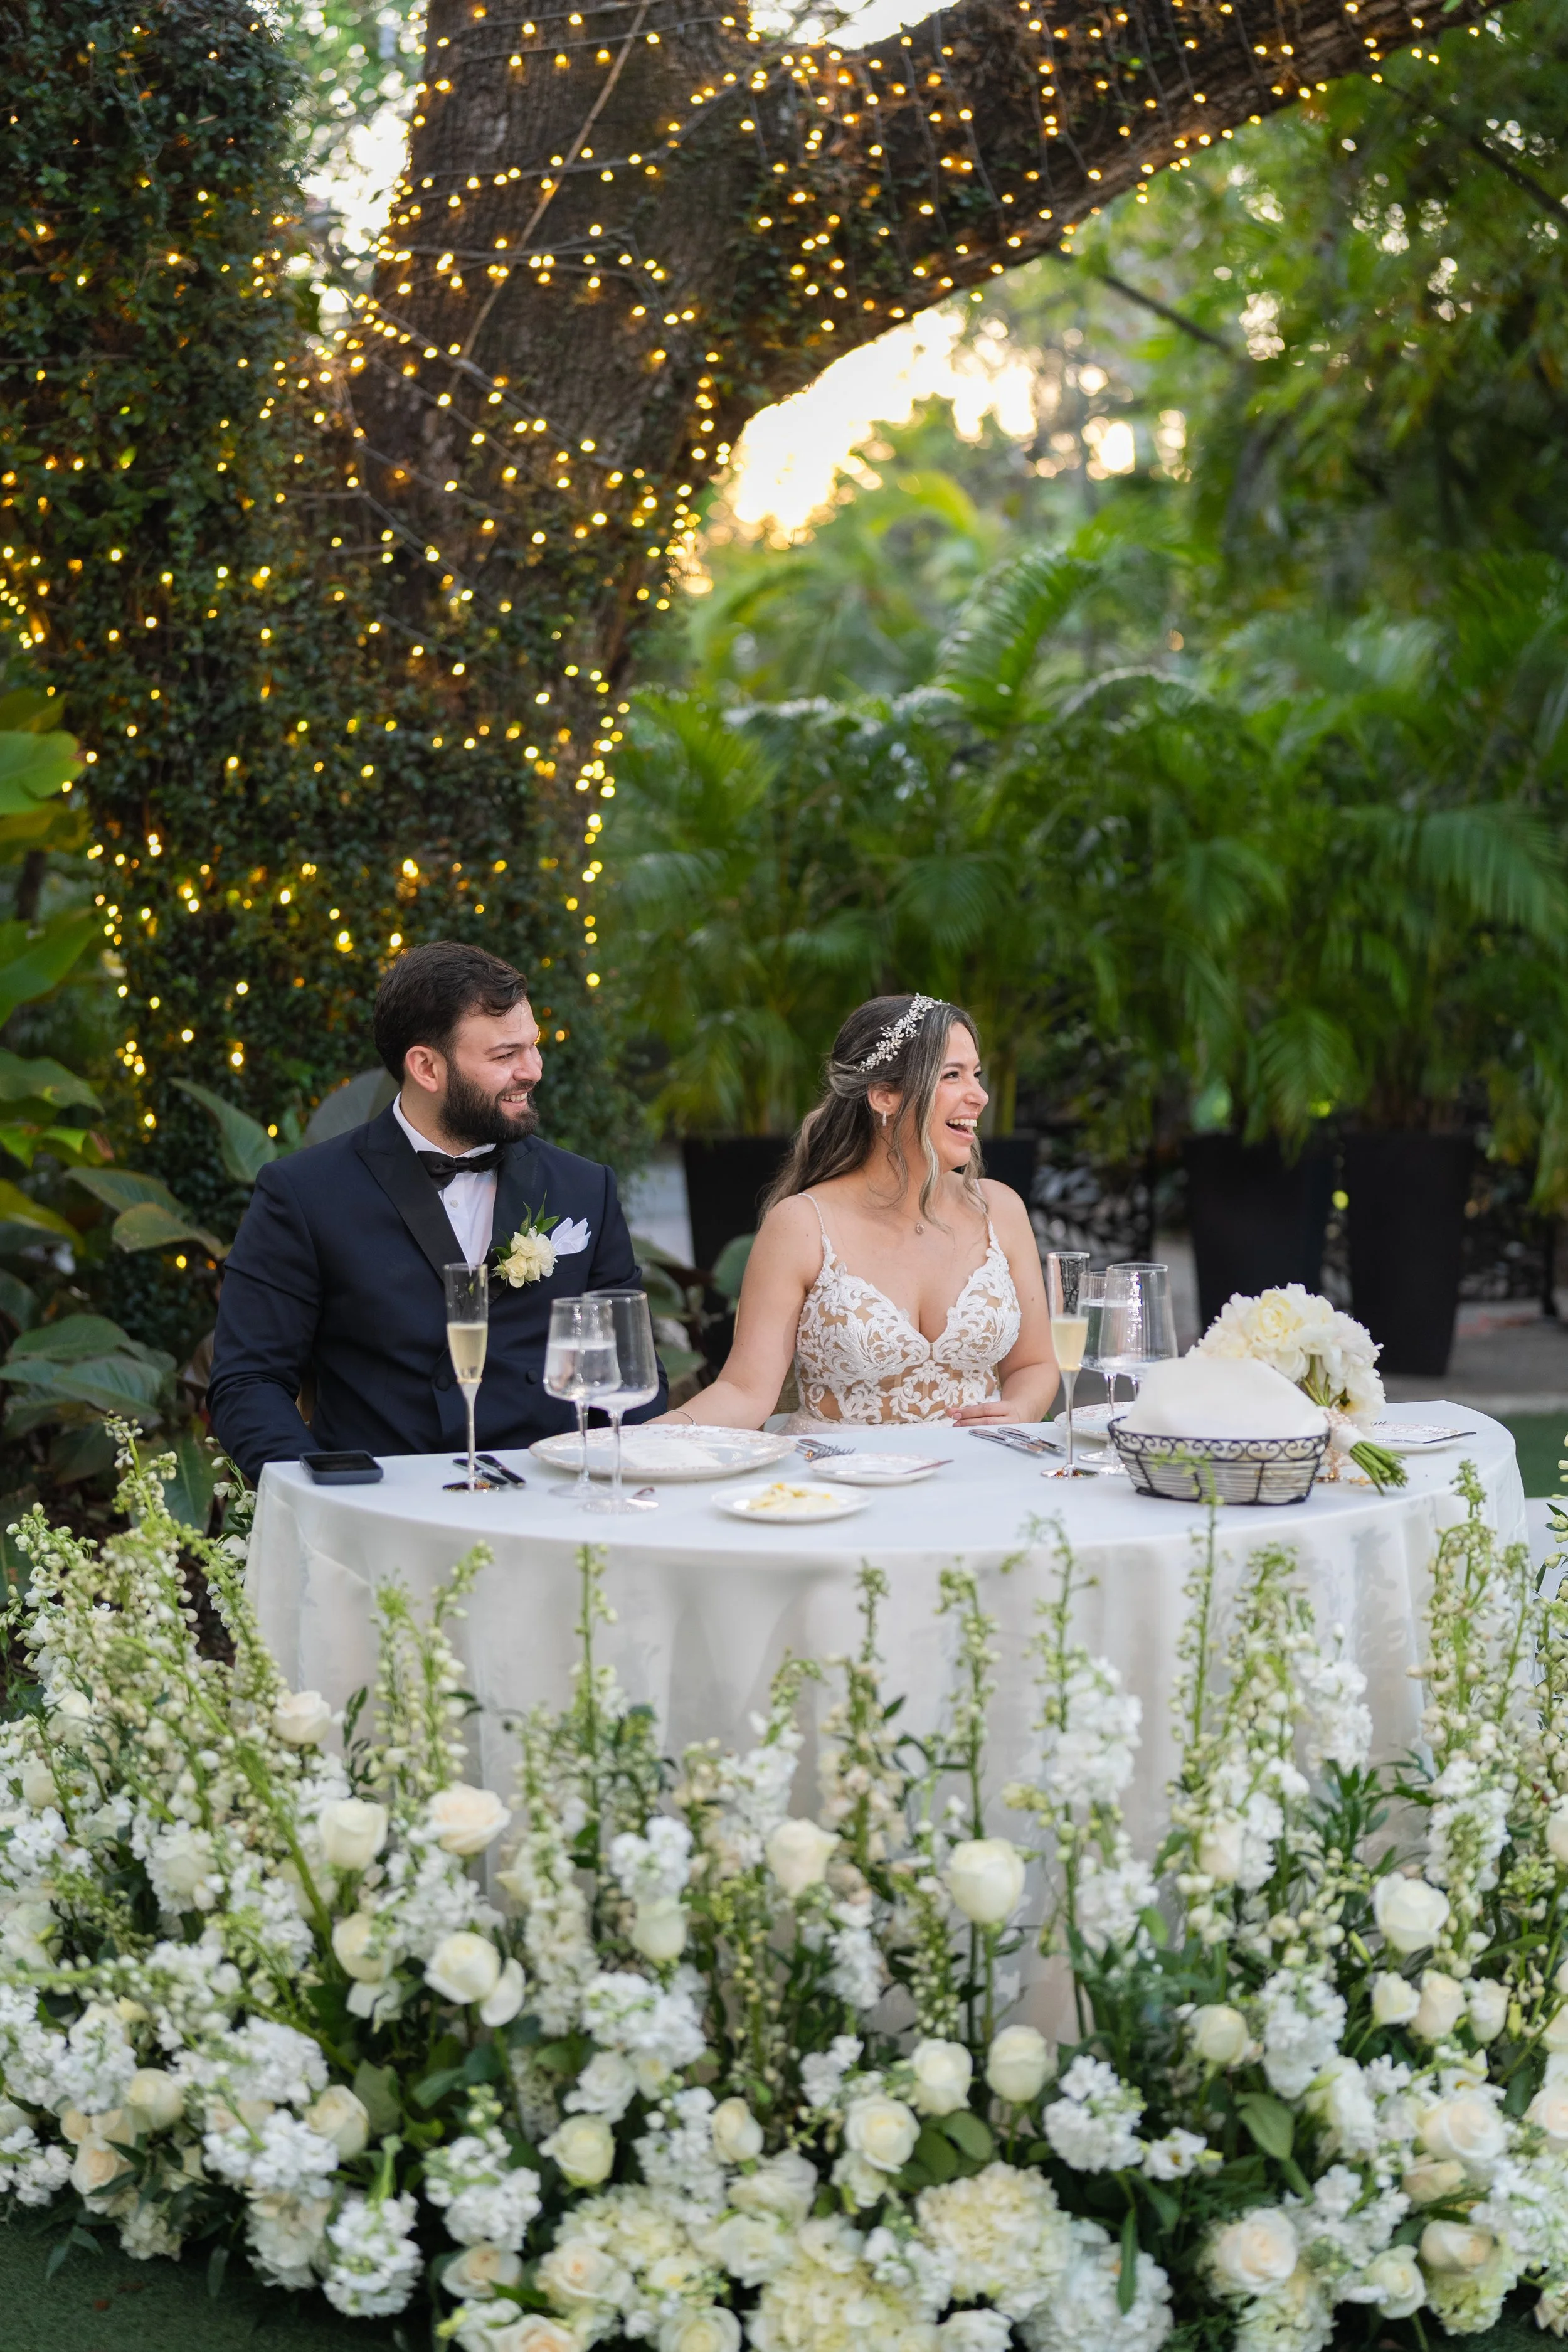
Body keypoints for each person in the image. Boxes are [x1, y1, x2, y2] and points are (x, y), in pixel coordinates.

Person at [208, 940, 664, 1480]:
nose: (533, 1070)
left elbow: (630, 1373)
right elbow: (249, 1380)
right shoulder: (304, 1193)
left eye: (533, 1046)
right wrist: (324, 1494)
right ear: (426, 1066)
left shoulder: (585, 1188)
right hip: (382, 1505)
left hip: (554, 1501)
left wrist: (614, 1490)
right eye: (505, 1055)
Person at [664, 993, 1057, 1430]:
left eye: (976, 1075)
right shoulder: (802, 1225)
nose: (980, 1096)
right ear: (884, 1096)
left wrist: (1021, 1409)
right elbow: (745, 1391)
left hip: (979, 1464)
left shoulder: (1000, 1210)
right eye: (952, 1075)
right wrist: (648, 1440)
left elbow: (1034, 1364)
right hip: (839, 1469)